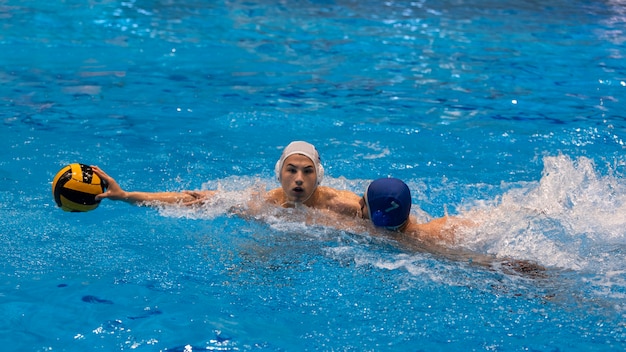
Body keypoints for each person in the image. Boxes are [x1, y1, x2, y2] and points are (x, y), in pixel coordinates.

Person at [92, 141, 363, 218]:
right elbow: (193, 201)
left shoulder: (345, 205)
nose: (299, 179)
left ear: (319, 177)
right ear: (279, 173)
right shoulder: (264, 203)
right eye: (291, 170)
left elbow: (399, 224)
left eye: (308, 171)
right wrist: (126, 196)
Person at [358, 177, 470, 244]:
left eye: (364, 202)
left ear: (379, 217)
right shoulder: (442, 229)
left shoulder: (429, 244)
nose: (359, 203)